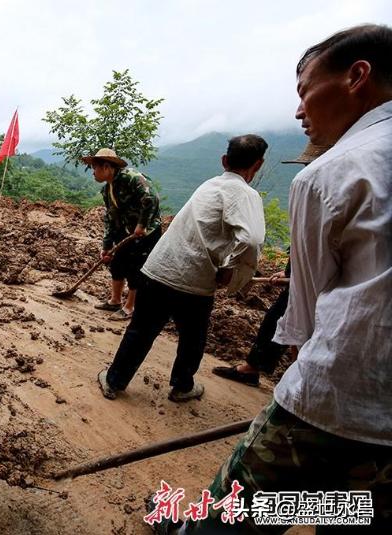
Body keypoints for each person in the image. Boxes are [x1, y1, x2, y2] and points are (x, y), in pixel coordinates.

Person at [177, 24, 392, 533]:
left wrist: (295, 376)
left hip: (337, 396)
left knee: (229, 519)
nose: (299, 110)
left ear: (356, 76)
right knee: (350, 511)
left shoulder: (332, 170)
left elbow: (308, 306)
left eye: (304, 91)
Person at [97, 135, 266, 403]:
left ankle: (114, 380)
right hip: (195, 279)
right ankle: (182, 386)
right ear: (258, 165)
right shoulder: (246, 195)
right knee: (192, 337)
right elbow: (253, 239)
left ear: (224, 161)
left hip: (159, 267)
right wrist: (233, 272)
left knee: (141, 330)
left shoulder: (209, 185)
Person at [211, 142, 330, 386]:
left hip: (317, 279)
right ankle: (264, 370)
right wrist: (289, 270)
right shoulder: (318, 189)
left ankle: (299, 382)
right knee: (285, 322)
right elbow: (303, 241)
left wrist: (300, 275)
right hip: (303, 277)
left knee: (302, 328)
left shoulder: (327, 191)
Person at [82, 148, 162, 321]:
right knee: (117, 263)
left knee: (136, 268)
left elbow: (151, 198)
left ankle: (130, 307)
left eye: (94, 168)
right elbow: (110, 218)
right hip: (126, 231)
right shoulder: (108, 190)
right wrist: (106, 247)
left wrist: (142, 225)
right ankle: (115, 301)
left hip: (146, 233)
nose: (93, 173)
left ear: (106, 167)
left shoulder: (131, 178)